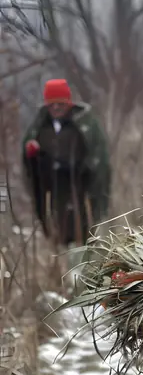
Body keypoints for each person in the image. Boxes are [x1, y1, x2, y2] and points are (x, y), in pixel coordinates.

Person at [22, 79, 111, 248]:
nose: (56, 108)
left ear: (68, 103)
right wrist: (32, 155)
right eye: (51, 104)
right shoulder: (41, 126)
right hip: (53, 192)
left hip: (79, 188)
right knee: (57, 234)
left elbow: (99, 157)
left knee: (82, 231)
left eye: (60, 103)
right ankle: (60, 264)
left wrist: (84, 169)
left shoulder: (84, 123)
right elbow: (29, 163)